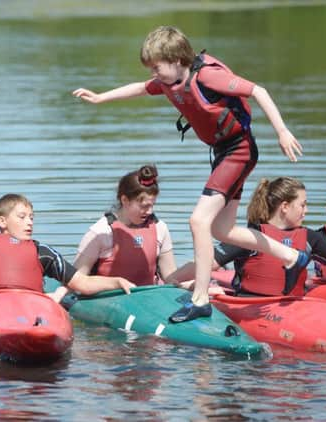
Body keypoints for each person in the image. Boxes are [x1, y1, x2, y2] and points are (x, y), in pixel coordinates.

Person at [72, 25, 308, 322]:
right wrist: (100, 98)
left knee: (199, 221)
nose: (154, 75)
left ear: (176, 60)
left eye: (157, 68)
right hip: (224, 152)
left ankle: (200, 298)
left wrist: (282, 131)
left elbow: (258, 90)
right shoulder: (168, 80)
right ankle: (292, 258)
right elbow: (138, 88)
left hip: (239, 150)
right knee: (222, 231)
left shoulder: (207, 76)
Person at [170, 177, 326, 298]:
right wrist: (171, 281)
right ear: (285, 207)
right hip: (250, 306)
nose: (306, 210)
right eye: (303, 205)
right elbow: (205, 264)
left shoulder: (310, 237)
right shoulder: (249, 237)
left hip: (294, 308)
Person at [0, 193, 135, 300]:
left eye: (32, 217)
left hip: (29, 309)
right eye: (22, 217)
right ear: (2, 221)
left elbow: (82, 283)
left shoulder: (43, 253)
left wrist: (116, 281)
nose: (30, 222)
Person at [49, 165, 175, 301]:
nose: (150, 211)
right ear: (125, 200)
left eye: (152, 205)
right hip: (107, 302)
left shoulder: (160, 228)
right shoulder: (100, 232)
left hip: (149, 300)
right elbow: (76, 280)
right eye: (144, 206)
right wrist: (58, 295)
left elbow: (170, 276)